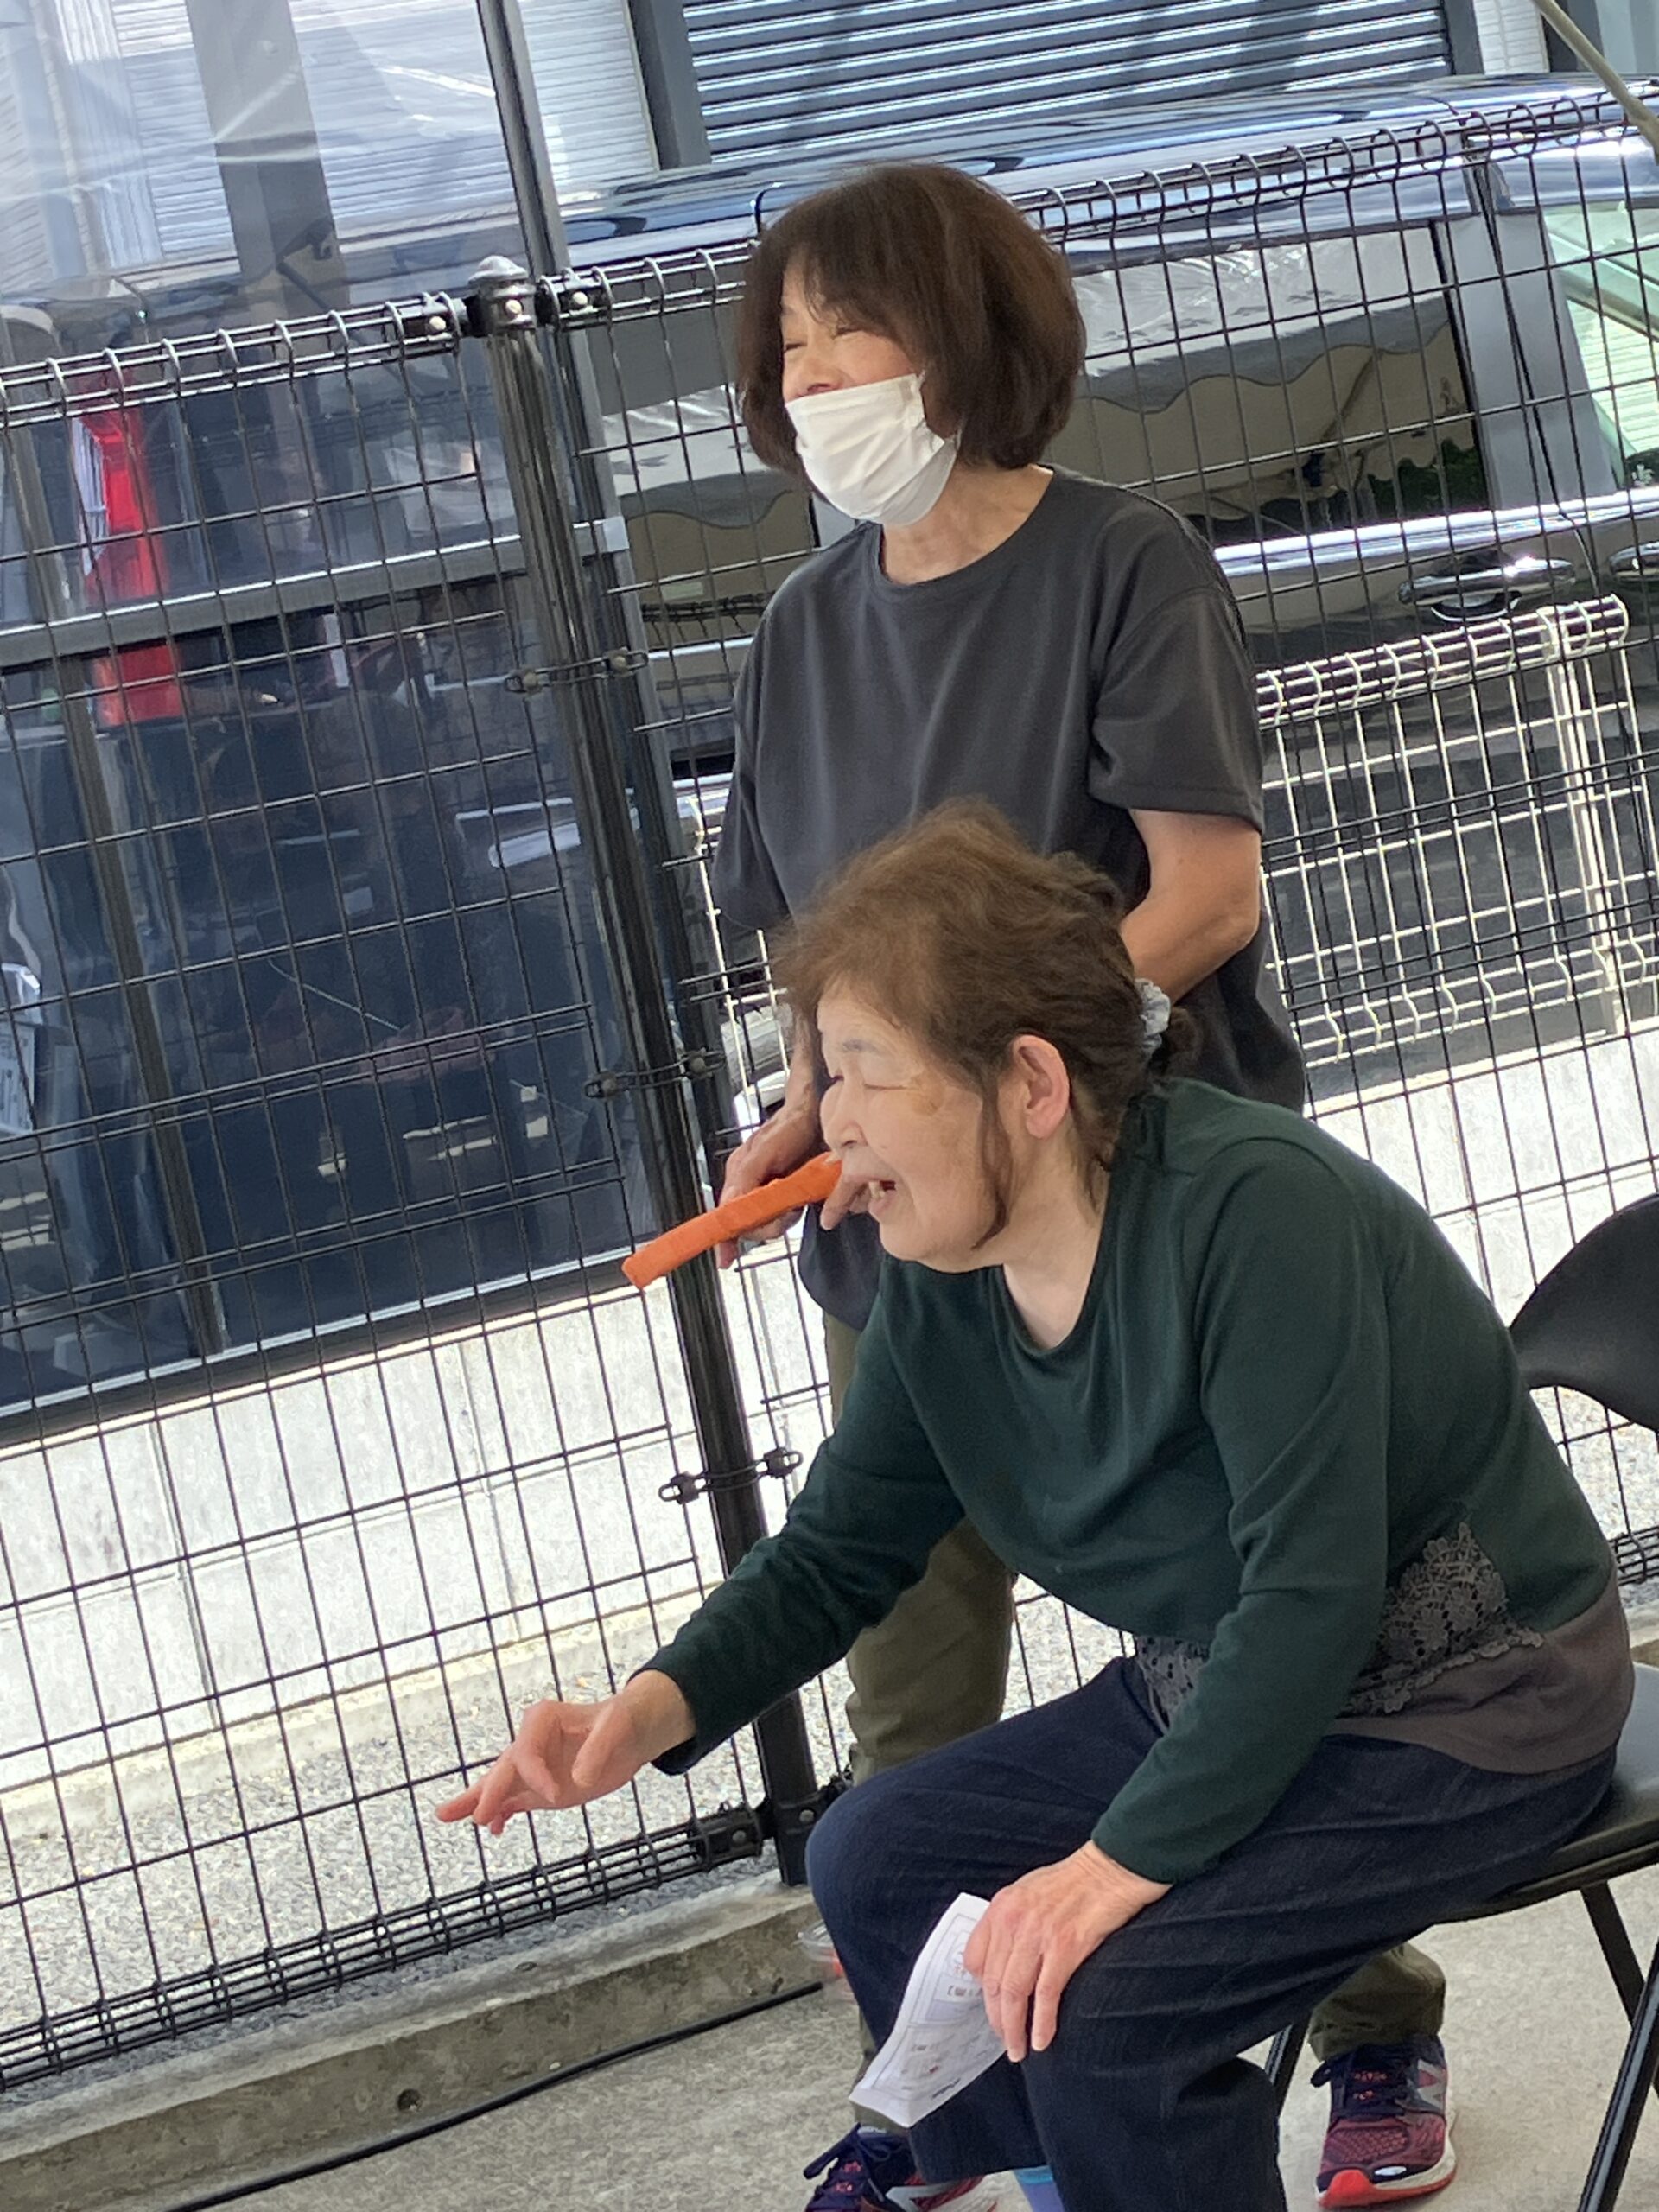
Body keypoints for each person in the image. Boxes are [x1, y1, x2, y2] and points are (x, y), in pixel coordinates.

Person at [438, 806, 1632, 2212]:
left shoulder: (1257, 1214)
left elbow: (1311, 1598)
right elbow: (835, 1551)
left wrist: (1112, 1866)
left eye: (867, 1072)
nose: (832, 1123)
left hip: (1472, 1702)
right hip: (1226, 1682)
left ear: (1030, 1083)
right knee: (875, 1855)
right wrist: (641, 1715)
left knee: (1111, 2006)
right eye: (824, 1074)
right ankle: (1079, 2178)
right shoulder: (943, 1279)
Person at [707, 158, 1453, 2207]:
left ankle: (1370, 2016)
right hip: (915, 1251)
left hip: (1151, 1231)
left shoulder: (1126, 563)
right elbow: (807, 961)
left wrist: (1001, 1076)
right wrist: (816, 1104)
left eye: (856, 333)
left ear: (967, 340)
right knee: (912, 1720)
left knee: (1245, 1670)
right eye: (789, 349)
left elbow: (1205, 890)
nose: (818, 381)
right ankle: (950, 2100)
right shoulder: (797, 632)